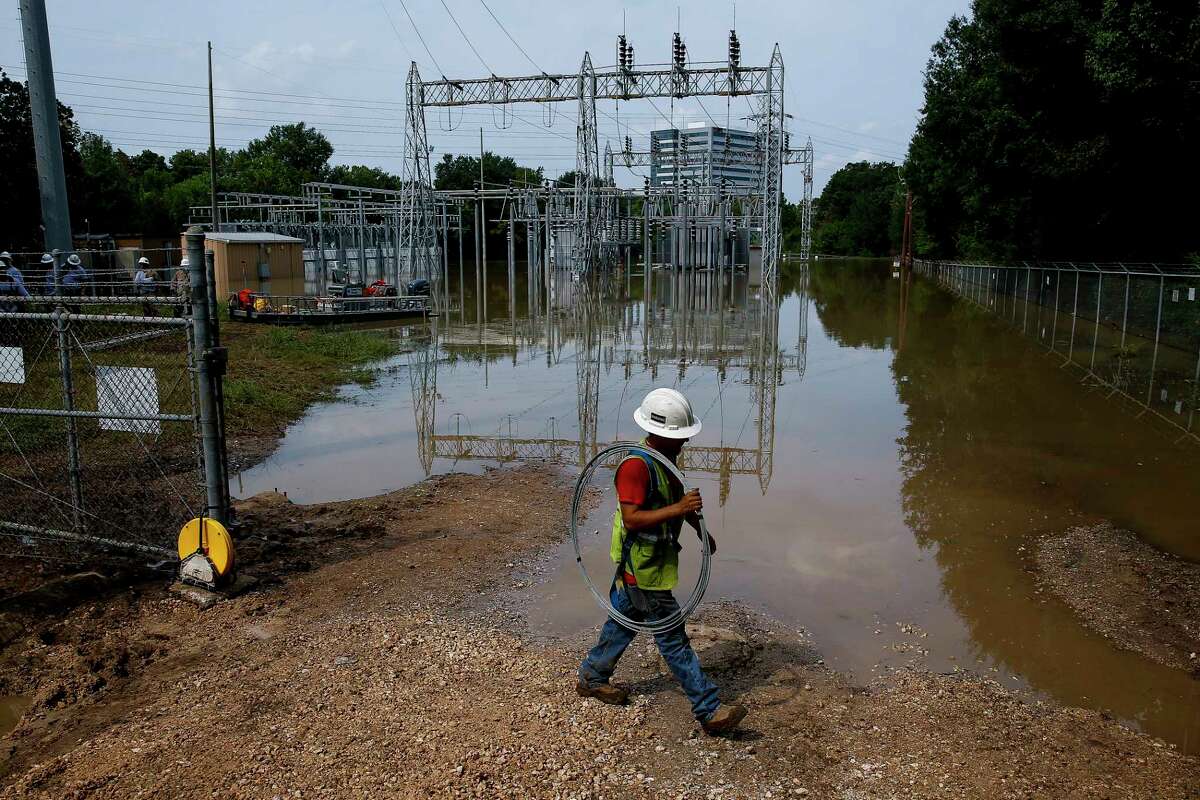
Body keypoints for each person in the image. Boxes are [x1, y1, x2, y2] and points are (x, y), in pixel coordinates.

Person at [577, 388, 748, 735]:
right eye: (678, 436)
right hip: (643, 567)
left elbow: (671, 502)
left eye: (684, 435)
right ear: (658, 433)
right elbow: (632, 519)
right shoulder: (635, 467)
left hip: (646, 565)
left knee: (623, 621)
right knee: (673, 639)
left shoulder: (665, 462)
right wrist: (681, 508)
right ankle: (709, 708)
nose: (683, 442)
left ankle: (593, 677)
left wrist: (699, 530)